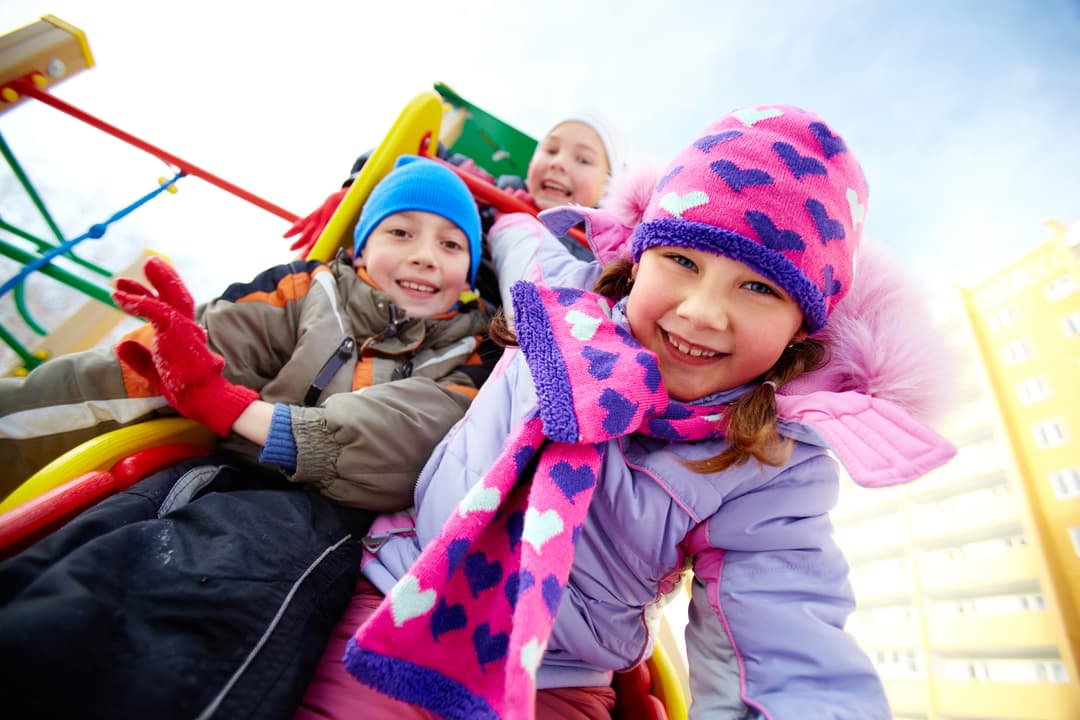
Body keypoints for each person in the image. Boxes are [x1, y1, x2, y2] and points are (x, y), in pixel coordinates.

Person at [295, 105, 957, 719]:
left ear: (801, 328)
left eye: (759, 286)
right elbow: (515, 234)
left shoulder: (771, 464)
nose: (702, 311)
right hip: (405, 591)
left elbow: (782, 647)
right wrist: (441, 192)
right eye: (681, 260)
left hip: (558, 676)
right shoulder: (564, 296)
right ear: (638, 259)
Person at [0, 156, 493, 719]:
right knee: (87, 552)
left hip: (325, 513)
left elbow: (412, 433)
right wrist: (182, 364)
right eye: (401, 232)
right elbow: (191, 364)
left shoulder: (473, 352)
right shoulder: (310, 290)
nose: (425, 255)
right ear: (360, 247)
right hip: (217, 468)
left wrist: (237, 409)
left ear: (470, 274)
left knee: (206, 598)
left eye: (451, 244)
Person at [284, 112, 625, 308]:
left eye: (583, 160)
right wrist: (359, 190)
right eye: (550, 150)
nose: (559, 164)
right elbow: (416, 149)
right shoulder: (491, 193)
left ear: (609, 186)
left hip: (515, 352)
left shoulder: (602, 251)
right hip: (448, 309)